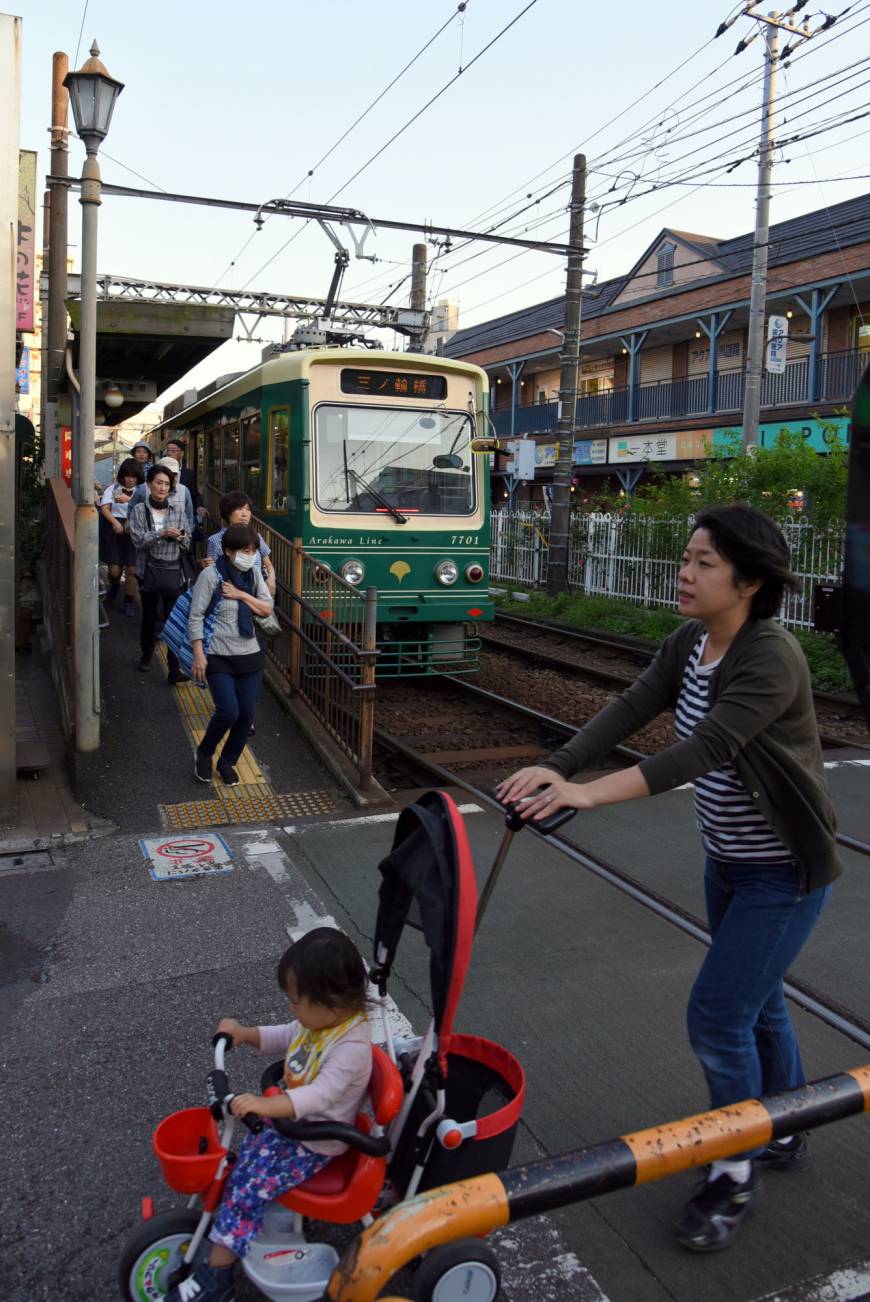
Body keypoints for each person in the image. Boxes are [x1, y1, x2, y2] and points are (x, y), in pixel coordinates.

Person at [497, 504, 842, 1254]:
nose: (684, 573)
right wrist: (559, 766)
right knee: (757, 1004)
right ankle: (786, 1125)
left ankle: (733, 1171)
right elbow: (634, 706)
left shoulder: (769, 656)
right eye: (686, 558)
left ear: (748, 581)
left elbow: (704, 751)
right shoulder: (692, 641)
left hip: (783, 870)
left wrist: (587, 793)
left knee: (720, 1014)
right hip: (730, 860)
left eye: (704, 563)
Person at [166, 927, 372, 1302]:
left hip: (315, 1142)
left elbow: (319, 1095)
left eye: (296, 1001)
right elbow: (286, 1034)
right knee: (246, 1161)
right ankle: (233, 1227)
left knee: (244, 1188)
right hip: (294, 1127)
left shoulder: (351, 1048)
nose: (291, 1008)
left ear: (333, 1004)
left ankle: (216, 1280)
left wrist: (263, 1104)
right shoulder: (322, 1024)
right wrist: (244, 1034)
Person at [189, 522, 273, 785]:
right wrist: (199, 653)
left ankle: (228, 761)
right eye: (244, 550)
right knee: (228, 711)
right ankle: (204, 753)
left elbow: (266, 609)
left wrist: (240, 595)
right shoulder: (211, 576)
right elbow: (196, 616)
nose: (249, 556)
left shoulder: (254, 576)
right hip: (218, 655)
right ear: (227, 551)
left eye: (252, 550)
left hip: (250, 655)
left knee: (246, 714)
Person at [128, 464, 192, 683]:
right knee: (149, 616)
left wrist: (181, 537)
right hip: (148, 570)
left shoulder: (178, 510)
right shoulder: (139, 510)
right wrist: (161, 533)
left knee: (174, 620)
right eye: (158, 482)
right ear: (149, 484)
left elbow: (188, 541)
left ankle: (174, 669)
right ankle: (146, 654)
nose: (163, 487)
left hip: (174, 570)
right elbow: (137, 540)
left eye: (167, 483)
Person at [205, 490, 277, 597]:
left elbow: (268, 564)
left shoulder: (256, 536)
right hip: (230, 595)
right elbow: (213, 572)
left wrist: (271, 579)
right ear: (227, 512)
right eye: (239, 509)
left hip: (258, 593)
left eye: (248, 509)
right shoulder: (215, 540)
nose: (245, 514)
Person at [99, 457, 144, 615]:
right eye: (127, 475)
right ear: (122, 475)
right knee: (114, 570)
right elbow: (105, 508)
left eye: (134, 476)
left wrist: (129, 500)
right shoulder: (113, 488)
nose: (130, 479)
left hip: (135, 529)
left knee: (132, 569)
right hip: (116, 528)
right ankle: (115, 584)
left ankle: (129, 601)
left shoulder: (143, 490)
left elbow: (148, 507)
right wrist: (114, 523)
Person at [129, 455, 195, 535]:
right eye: (168, 474)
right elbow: (131, 511)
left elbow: (189, 519)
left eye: (175, 474)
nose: (172, 477)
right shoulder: (143, 489)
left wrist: (181, 537)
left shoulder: (184, 491)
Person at [164, 436, 207, 528]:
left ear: (182, 453)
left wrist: (200, 506)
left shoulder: (189, 474)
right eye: (168, 451)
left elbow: (194, 494)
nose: (170, 453)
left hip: (183, 515)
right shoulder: (159, 472)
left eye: (174, 451)